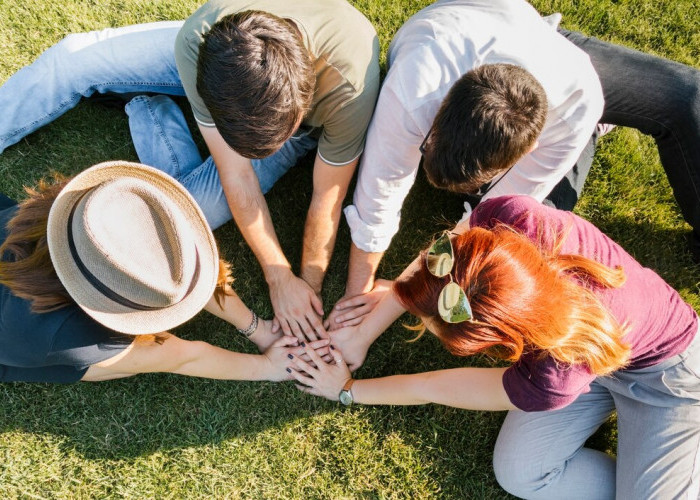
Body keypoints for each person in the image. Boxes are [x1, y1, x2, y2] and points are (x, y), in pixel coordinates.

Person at [0, 0, 381, 341]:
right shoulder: (203, 38)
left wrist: (302, 283)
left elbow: (326, 198)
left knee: (175, 219)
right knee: (70, 59)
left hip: (298, 118)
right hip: (227, 64)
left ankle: (149, 106)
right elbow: (238, 175)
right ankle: (157, 103)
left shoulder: (349, 92)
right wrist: (275, 274)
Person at [291, 195, 700, 498]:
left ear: (502, 342)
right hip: (588, 354)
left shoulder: (550, 379)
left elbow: (436, 387)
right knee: (520, 474)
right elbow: (446, 253)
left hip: (667, 382)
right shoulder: (510, 218)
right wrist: (367, 330)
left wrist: (348, 391)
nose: (422, 323)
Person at [328, 0, 700, 329]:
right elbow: (379, 196)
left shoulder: (574, 106)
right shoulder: (414, 88)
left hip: (561, 64)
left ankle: (591, 133)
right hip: (485, 32)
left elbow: (487, 217)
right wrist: (355, 298)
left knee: (529, 226)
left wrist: (396, 299)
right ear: (441, 112)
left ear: (530, 148)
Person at [0, 160, 328, 383]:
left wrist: (255, 328)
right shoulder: (68, 335)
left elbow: (186, 268)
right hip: (13, 345)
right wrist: (267, 367)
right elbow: (182, 356)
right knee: (106, 366)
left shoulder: (91, 209)